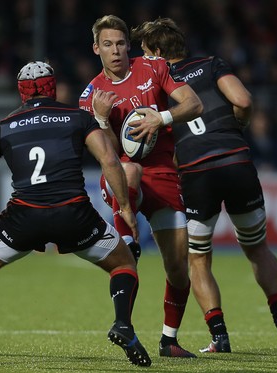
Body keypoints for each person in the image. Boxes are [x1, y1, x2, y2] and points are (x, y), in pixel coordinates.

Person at [0, 61, 151, 367]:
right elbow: (109, 160)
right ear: (53, 86)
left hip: (25, 216)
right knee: (124, 264)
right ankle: (124, 326)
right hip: (74, 215)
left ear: (21, 92)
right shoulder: (78, 117)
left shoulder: (4, 126)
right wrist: (126, 208)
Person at [130, 17, 277, 354]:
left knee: (199, 260)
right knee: (257, 248)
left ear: (156, 53)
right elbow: (243, 101)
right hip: (236, 162)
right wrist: (237, 128)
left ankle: (219, 335)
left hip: (197, 173)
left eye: (145, 53)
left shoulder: (156, 84)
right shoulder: (212, 64)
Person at [79, 15, 203, 358]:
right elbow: (107, 156)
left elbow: (194, 104)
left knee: (179, 268)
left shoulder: (154, 68)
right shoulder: (91, 96)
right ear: (96, 49)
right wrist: (102, 119)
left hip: (163, 173)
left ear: (127, 45)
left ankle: (169, 340)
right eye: (108, 44)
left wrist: (159, 118)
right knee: (129, 169)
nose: (115, 50)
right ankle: (129, 244)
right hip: (121, 176)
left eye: (120, 43)